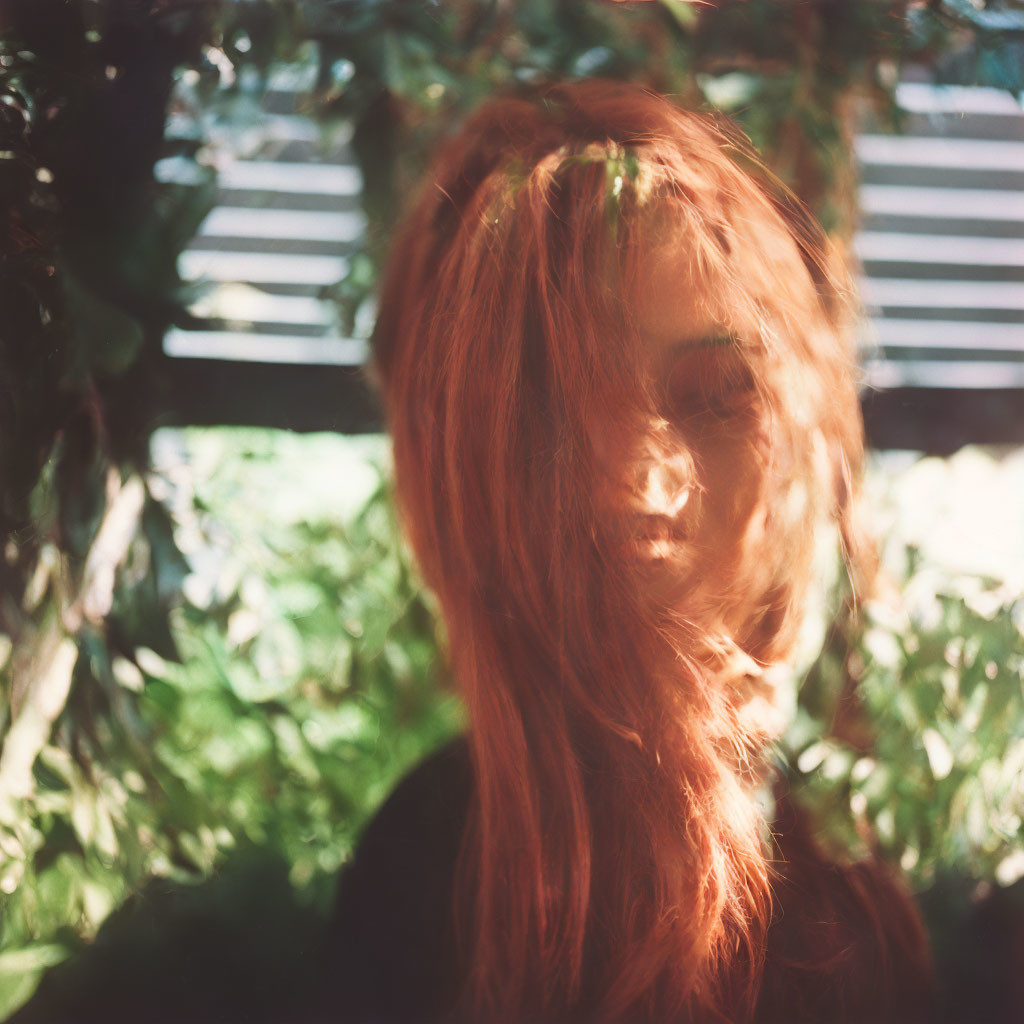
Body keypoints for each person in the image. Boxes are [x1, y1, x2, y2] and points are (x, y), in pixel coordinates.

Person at [323, 80, 935, 1024]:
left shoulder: (881, 854)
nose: (646, 483)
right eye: (565, 410)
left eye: (717, 395)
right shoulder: (430, 864)